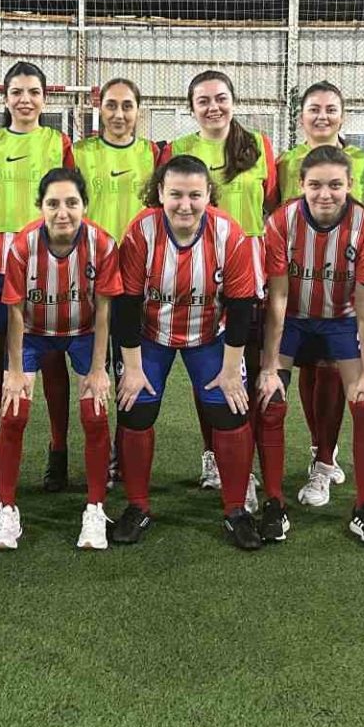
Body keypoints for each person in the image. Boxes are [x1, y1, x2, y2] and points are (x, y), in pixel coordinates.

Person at [112, 155, 263, 550]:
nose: (185, 204)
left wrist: (231, 370)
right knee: (135, 408)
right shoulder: (141, 231)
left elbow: (241, 306)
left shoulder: (229, 233)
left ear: (209, 195)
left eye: (195, 195)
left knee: (230, 411)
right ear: (160, 194)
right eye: (175, 194)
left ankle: (236, 510)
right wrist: (132, 368)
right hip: (150, 336)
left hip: (209, 336)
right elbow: (126, 304)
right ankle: (137, 506)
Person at [258, 146, 364, 545]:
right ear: (301, 184)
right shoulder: (281, 221)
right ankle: (273, 503)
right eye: (315, 185)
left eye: (335, 185)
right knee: (270, 400)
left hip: (341, 321)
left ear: (350, 184)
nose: (325, 194)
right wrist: (268, 367)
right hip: (294, 321)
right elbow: (278, 299)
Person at [0, 169, 121, 550]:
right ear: (40, 206)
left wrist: (98, 369)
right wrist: (15, 371)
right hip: (33, 333)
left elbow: (104, 311)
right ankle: (6, 509)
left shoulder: (102, 244)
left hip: (84, 333)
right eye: (53, 203)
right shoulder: (22, 246)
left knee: (95, 414)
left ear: (85, 205)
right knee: (13, 413)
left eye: (71, 203)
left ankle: (95, 509)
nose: (62, 212)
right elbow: (15, 312)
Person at [163, 70, 276, 497]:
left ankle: (248, 463)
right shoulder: (179, 149)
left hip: (249, 272)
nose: (214, 107)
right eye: (204, 100)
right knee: (208, 369)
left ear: (233, 101)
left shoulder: (259, 146)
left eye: (221, 98)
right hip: (200, 272)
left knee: (249, 369)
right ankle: (212, 454)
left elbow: (271, 206)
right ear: (191, 108)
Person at [0, 61, 77, 495]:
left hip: (48, 262)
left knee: (51, 358)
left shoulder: (58, 142)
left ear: (45, 98)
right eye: (16, 92)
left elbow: (72, 204)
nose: (25, 100)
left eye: (33, 92)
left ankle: (58, 452)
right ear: (5, 98)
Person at [275, 81, 364, 498]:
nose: (322, 116)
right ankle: (320, 449)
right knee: (309, 369)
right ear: (301, 117)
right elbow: (276, 215)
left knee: (335, 370)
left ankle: (326, 457)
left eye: (331, 108)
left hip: (346, 290)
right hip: (299, 287)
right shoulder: (285, 163)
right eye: (314, 109)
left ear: (342, 115)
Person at [73, 77, 163, 491]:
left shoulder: (154, 154)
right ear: (99, 109)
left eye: (127, 105)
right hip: (92, 274)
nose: (119, 114)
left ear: (139, 111)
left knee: (132, 366)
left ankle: (127, 455)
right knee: (98, 367)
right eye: (111, 105)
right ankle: (103, 454)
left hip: (140, 277)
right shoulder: (80, 153)